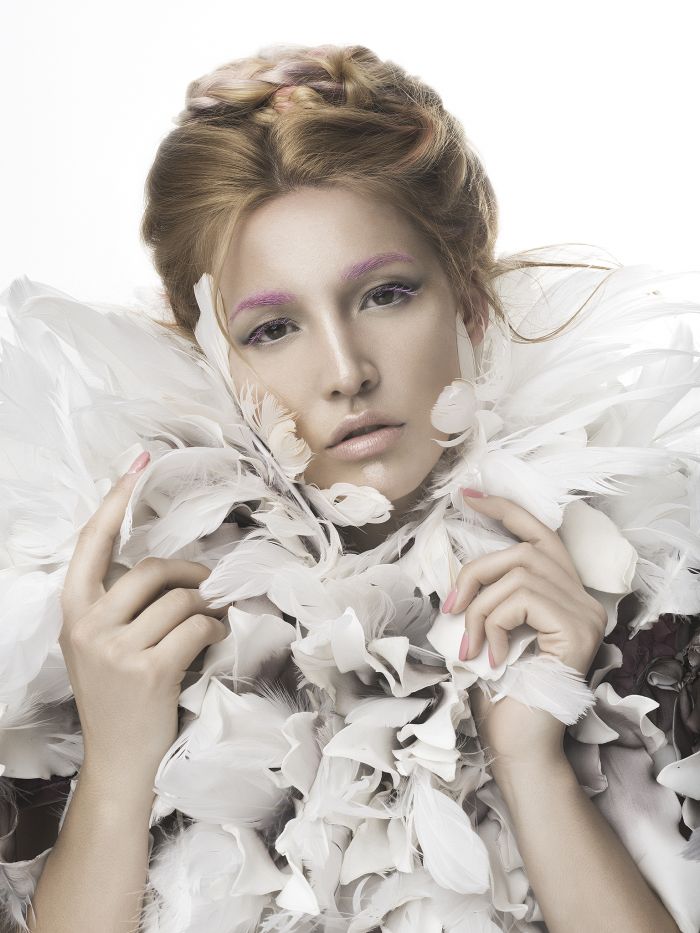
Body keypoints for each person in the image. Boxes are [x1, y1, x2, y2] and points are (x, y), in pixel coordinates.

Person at [1, 42, 698, 933]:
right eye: (273, 328)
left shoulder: (656, 604)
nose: (345, 371)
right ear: (214, 355)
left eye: (386, 294)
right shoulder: (114, 640)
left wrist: (533, 761)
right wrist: (114, 769)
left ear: (469, 299)